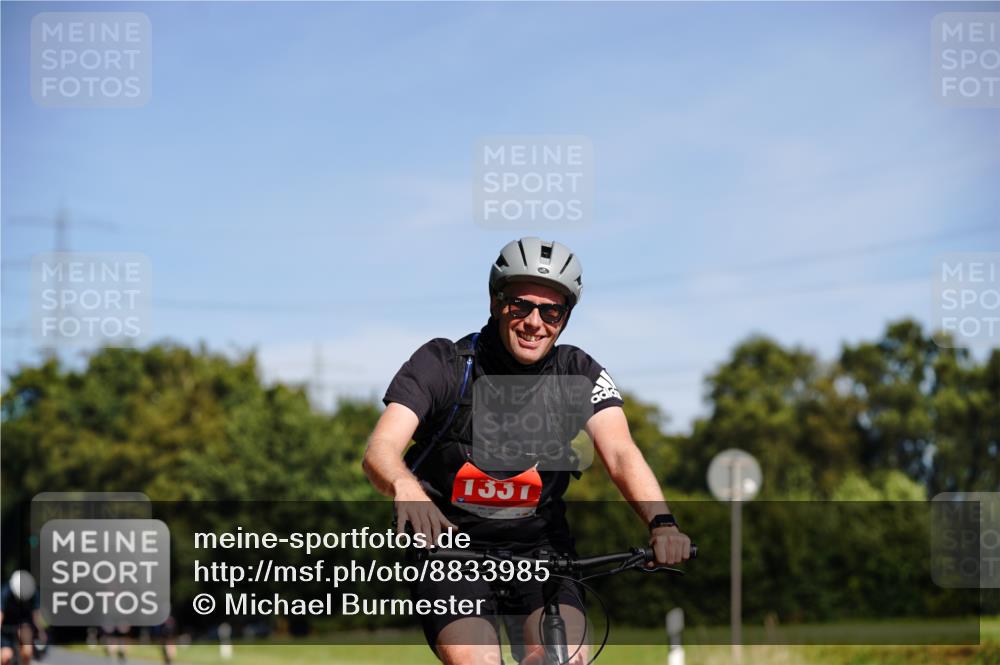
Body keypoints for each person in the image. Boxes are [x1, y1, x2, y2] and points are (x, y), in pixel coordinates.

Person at [363, 237, 692, 665]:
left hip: (542, 552)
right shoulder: (443, 364)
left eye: (551, 311)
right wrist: (404, 486)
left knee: (564, 658)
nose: (535, 322)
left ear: (565, 317)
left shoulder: (578, 372)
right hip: (449, 552)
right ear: (496, 302)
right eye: (521, 306)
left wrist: (662, 523)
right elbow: (380, 449)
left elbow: (620, 453)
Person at [0, 571, 46, 665]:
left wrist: (41, 632)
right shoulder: (5, 592)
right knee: (6, 657)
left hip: (24, 623)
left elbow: (36, 614)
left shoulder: (33, 592)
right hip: (6, 625)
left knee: (27, 652)